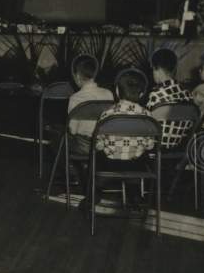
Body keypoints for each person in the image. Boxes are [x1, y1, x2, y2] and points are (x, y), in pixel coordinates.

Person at [81, 70, 156, 212]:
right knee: (142, 154)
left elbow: (98, 144)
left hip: (108, 165)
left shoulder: (108, 114)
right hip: (136, 166)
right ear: (142, 94)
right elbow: (150, 144)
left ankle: (92, 194)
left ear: (116, 91)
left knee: (95, 153)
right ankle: (134, 194)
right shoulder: (147, 116)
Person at [146, 47, 194, 151]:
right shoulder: (187, 93)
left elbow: (147, 124)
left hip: (156, 147)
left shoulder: (156, 94)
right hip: (179, 146)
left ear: (156, 69)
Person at [67, 55, 114, 155]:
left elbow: (73, 130)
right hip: (104, 144)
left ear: (78, 76)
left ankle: (73, 168)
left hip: (84, 146)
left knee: (57, 141)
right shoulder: (108, 93)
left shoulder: (76, 98)